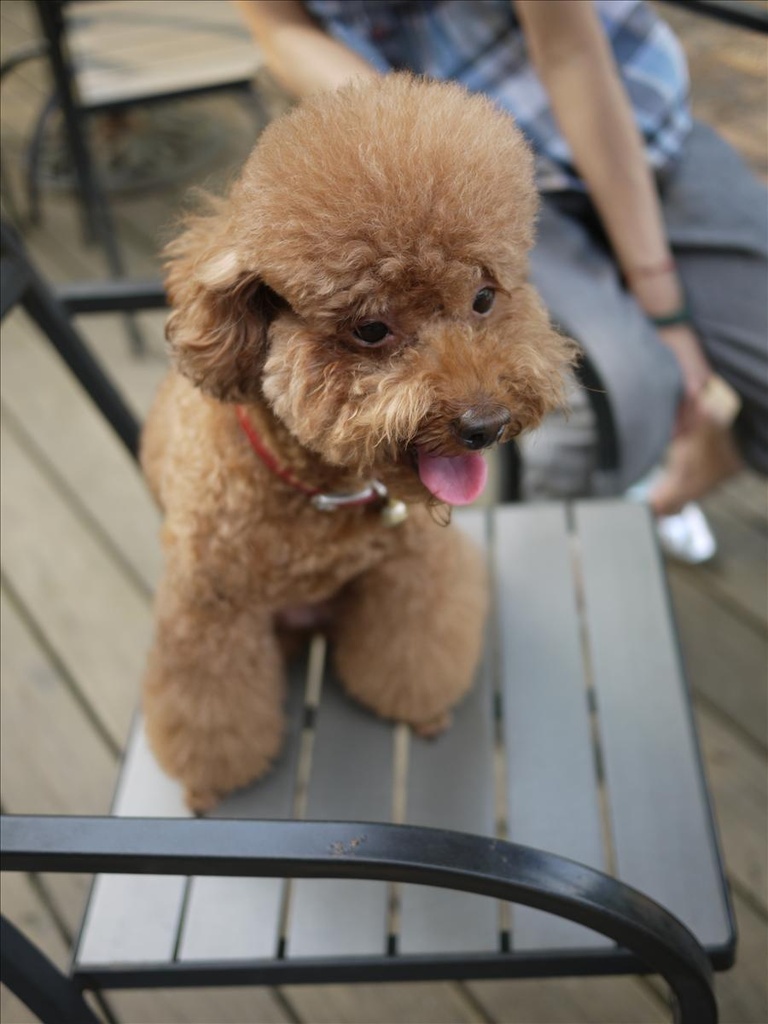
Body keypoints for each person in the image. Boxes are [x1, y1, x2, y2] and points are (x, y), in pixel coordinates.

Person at [234, 0, 767, 539]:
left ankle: (678, 485)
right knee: (623, 393)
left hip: (624, 116)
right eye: (373, 331)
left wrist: (666, 309)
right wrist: (406, 137)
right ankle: (572, 536)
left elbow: (572, 54)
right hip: (425, 168)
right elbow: (280, 28)